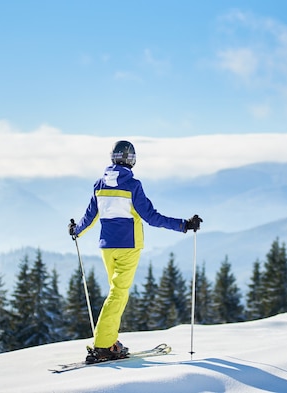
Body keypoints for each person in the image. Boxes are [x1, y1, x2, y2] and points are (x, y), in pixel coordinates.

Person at [68, 140, 202, 363]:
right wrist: (183, 225)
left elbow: (90, 217)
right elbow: (151, 217)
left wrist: (76, 230)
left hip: (107, 247)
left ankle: (110, 341)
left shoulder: (99, 184)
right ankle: (102, 345)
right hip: (128, 246)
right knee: (118, 294)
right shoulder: (132, 185)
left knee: (116, 293)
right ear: (131, 160)